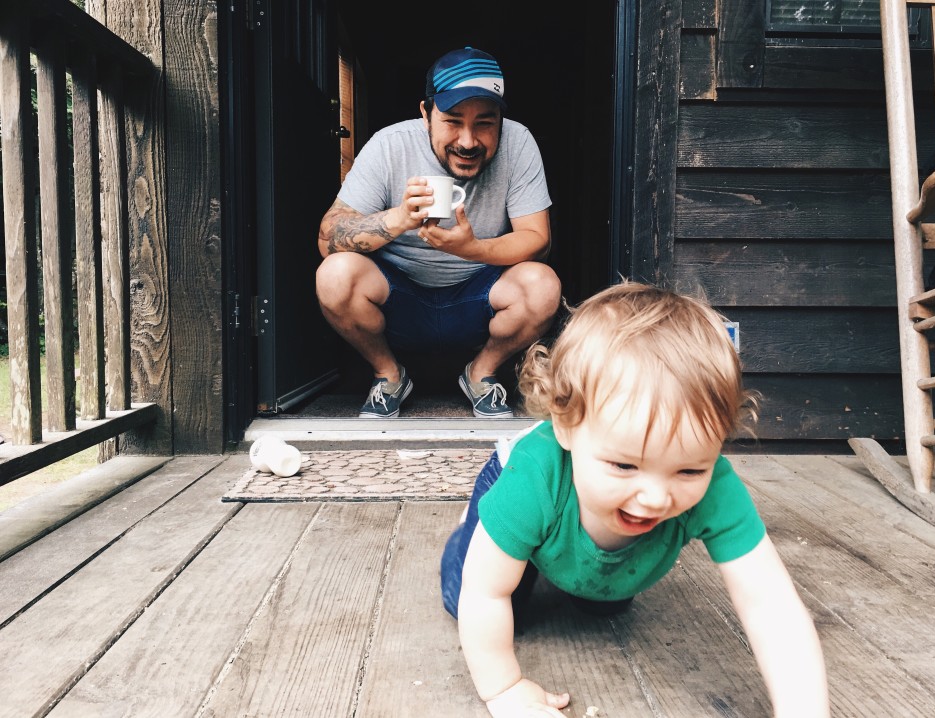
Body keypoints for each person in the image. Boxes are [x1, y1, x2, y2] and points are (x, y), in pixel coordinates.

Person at [440, 281, 830, 718]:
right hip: (519, 488)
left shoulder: (714, 485)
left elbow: (770, 603)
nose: (655, 498)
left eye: (689, 469)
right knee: (480, 594)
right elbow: (485, 594)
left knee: (607, 599)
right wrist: (505, 689)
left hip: (594, 534)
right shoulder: (533, 477)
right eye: (624, 466)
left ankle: (574, 556)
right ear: (565, 426)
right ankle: (476, 533)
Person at [315, 46, 561, 419]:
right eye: (452, 120)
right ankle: (388, 375)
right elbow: (328, 238)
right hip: (399, 297)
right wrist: (399, 218)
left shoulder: (519, 141)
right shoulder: (389, 144)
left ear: (501, 120)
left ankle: (481, 373)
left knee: (543, 285)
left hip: (479, 295)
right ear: (425, 114)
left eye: (484, 122)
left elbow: (537, 239)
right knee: (334, 276)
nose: (468, 141)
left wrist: (473, 249)